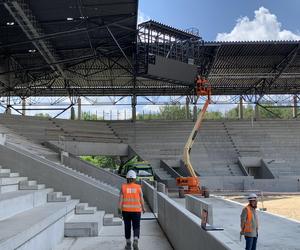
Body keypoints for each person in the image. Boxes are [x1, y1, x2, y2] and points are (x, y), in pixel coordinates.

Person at [119, 170, 145, 250]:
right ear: (134, 178)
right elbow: (141, 199)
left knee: (127, 226)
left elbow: (120, 200)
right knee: (136, 226)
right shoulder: (138, 187)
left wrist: (119, 209)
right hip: (136, 211)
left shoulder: (123, 187)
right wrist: (143, 208)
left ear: (127, 178)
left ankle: (128, 243)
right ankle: (135, 240)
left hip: (126, 211)